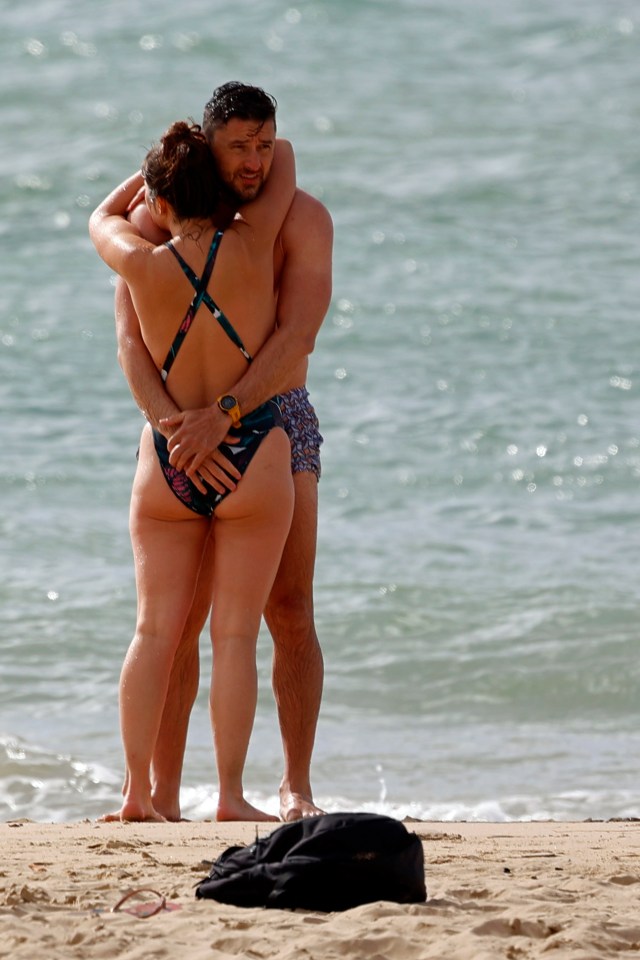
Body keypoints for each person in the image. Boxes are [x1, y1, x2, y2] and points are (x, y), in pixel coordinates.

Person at [116, 83, 333, 821]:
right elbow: (131, 346)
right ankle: (163, 797)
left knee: (290, 609)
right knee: (177, 624)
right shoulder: (163, 223)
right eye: (237, 146)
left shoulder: (298, 217)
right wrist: (179, 425)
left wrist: (226, 413)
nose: (256, 160)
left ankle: (294, 783)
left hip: (274, 414)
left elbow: (295, 336)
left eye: (265, 143)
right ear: (207, 150)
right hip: (183, 427)